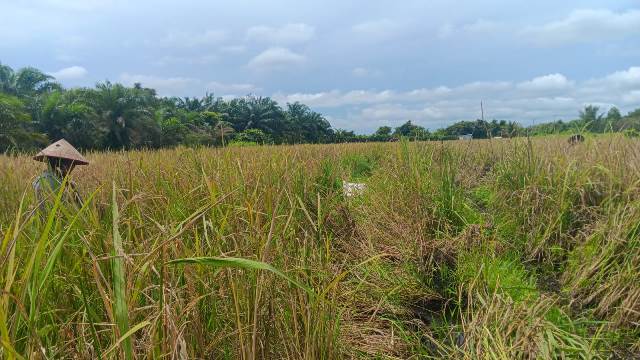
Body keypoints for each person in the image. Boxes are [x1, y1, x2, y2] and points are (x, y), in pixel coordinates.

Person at [32, 139, 89, 208]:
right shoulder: (58, 184)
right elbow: (78, 209)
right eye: (72, 164)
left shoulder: (38, 179)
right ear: (65, 165)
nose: (73, 168)